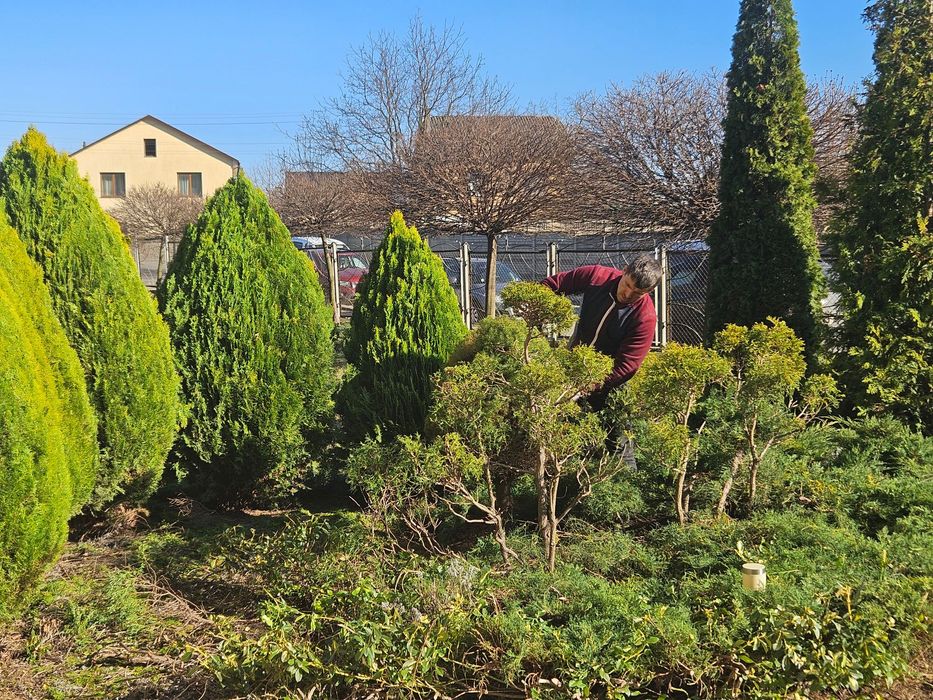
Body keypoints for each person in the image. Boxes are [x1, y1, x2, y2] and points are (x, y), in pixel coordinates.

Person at [541, 256, 662, 410]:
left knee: (602, 425)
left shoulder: (645, 317)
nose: (627, 294)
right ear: (624, 271)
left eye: (637, 293)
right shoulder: (597, 276)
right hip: (572, 361)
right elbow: (552, 284)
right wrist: (535, 308)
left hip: (606, 383)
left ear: (649, 291)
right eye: (627, 285)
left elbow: (626, 367)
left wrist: (586, 387)